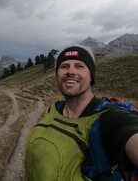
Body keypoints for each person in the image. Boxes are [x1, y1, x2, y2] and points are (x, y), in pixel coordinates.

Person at [25, 44, 138, 181]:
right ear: (57, 75)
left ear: (91, 77)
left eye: (79, 66)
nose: (70, 71)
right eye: (64, 66)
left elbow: (130, 131)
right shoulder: (55, 108)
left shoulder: (110, 117)